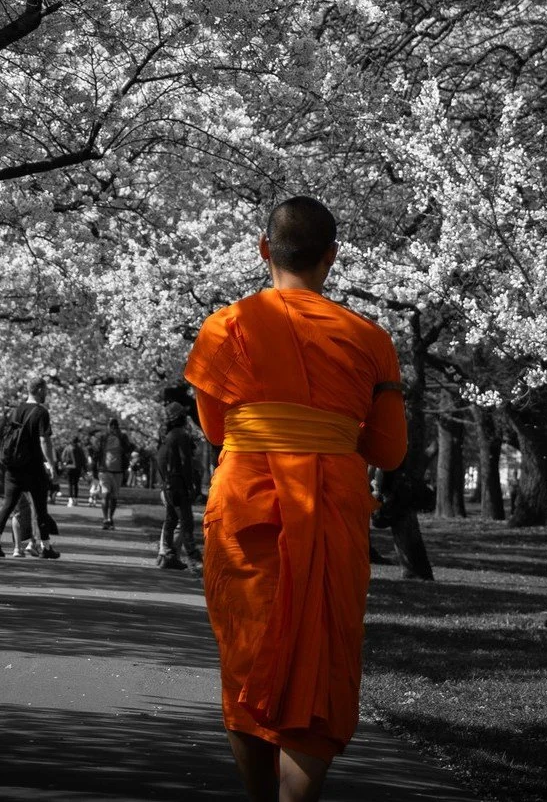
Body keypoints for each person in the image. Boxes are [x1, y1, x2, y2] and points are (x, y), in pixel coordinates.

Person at [185, 195, 408, 802]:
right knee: (322, 652)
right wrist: (330, 433)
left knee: (248, 652)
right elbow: (388, 451)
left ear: (264, 250)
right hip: (332, 505)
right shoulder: (370, 338)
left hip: (247, 501)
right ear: (331, 258)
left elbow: (214, 429)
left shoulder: (224, 327)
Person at [0, 377, 61, 559]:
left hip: (13, 467)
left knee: (7, 505)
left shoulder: (16, 411)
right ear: (40, 390)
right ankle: (45, 547)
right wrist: (51, 463)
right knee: (40, 508)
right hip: (33, 467)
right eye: (46, 391)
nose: (47, 394)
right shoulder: (41, 412)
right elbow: (44, 440)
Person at [155, 401, 202, 571]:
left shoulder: (167, 437)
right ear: (181, 417)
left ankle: (168, 555)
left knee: (171, 520)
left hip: (168, 484)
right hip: (178, 485)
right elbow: (185, 462)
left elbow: (160, 461)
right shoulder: (180, 435)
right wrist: (191, 486)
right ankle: (194, 558)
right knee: (186, 522)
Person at [93, 415, 133, 529]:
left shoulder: (122, 437)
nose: (113, 427)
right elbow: (96, 453)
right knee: (105, 494)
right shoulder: (102, 438)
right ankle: (105, 519)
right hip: (104, 470)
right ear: (108, 426)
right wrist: (94, 469)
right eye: (111, 425)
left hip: (118, 471)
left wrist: (121, 438)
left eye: (115, 425)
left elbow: (129, 449)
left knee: (114, 496)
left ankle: (111, 518)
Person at [58, 436, 84, 505]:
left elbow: (63, 457)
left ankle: (70, 499)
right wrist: (83, 468)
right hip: (77, 468)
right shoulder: (79, 449)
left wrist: (65, 463)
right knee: (75, 484)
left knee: (70, 483)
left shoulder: (67, 448)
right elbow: (83, 459)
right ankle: (75, 499)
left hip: (69, 467)